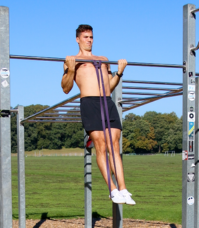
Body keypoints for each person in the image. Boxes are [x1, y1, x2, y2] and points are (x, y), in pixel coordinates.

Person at [61, 24, 135, 205]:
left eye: (91, 37)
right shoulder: (72, 59)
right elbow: (65, 88)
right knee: (101, 146)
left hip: (106, 102)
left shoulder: (103, 59)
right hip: (90, 103)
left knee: (114, 146)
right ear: (78, 39)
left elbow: (109, 86)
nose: (89, 40)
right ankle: (112, 190)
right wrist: (71, 69)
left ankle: (123, 189)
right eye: (85, 37)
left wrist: (119, 72)